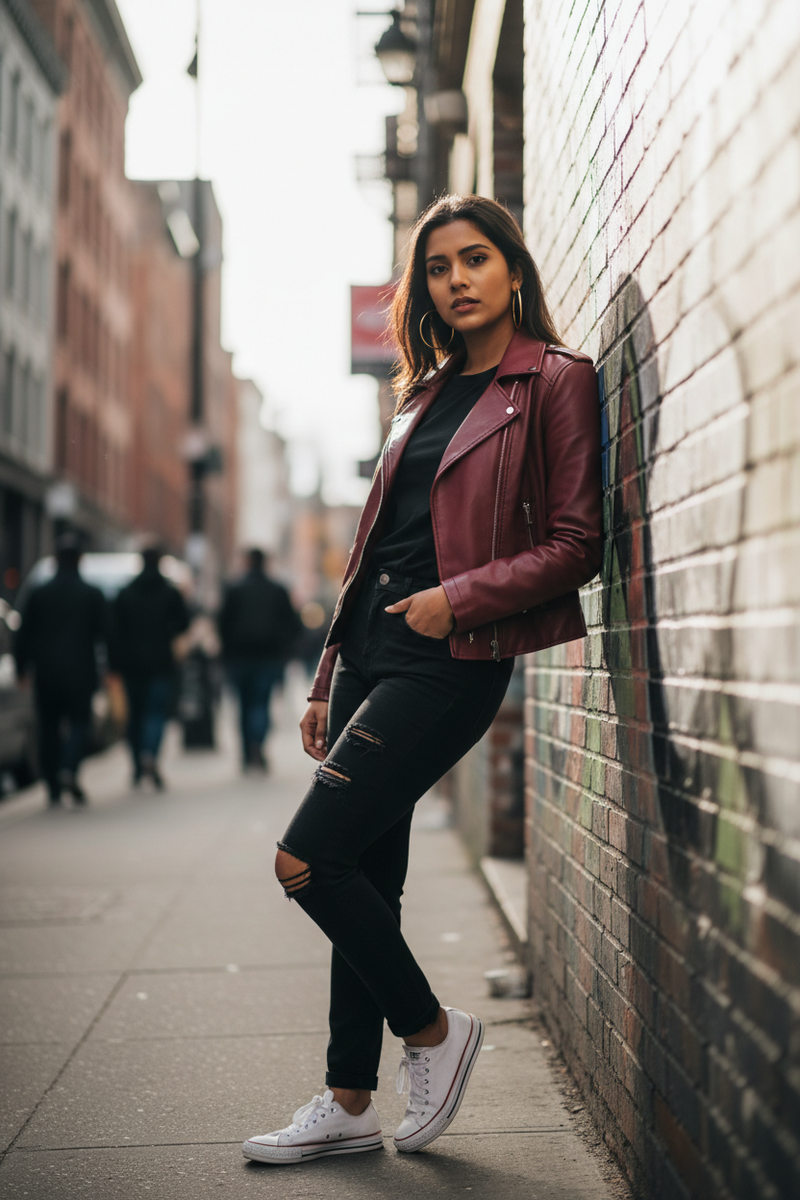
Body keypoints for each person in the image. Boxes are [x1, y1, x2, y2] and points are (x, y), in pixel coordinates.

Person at [242, 194, 603, 1165]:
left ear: (512, 269)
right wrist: (324, 674)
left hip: (450, 657)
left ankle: (433, 1036)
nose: (456, 281)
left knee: (306, 859)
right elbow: (366, 550)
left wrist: (461, 598)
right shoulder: (423, 394)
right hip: (369, 653)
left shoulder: (554, 382)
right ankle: (348, 1100)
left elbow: (575, 544)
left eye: (474, 259)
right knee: (365, 871)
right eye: (438, 268)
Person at [14, 536, 108, 806]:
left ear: (56, 561)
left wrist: (22, 668)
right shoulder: (91, 593)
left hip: (46, 672)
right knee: (80, 723)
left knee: (48, 727)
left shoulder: (39, 593)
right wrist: (111, 668)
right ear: (80, 561)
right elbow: (106, 632)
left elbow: (24, 634)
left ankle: (53, 786)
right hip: (81, 671)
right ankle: (69, 768)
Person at [110, 547, 190, 790]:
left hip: (131, 664)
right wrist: (167, 631)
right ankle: (150, 758)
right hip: (160, 663)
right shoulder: (169, 592)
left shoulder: (126, 592)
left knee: (134, 715)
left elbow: (113, 631)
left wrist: (115, 664)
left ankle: (136, 764)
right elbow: (184, 622)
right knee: (155, 714)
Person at [218, 549, 301, 770]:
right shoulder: (277, 590)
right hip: (269, 657)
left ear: (246, 562)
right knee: (261, 704)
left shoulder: (234, 589)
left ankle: (247, 751)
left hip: (239, 658)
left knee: (243, 705)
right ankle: (258, 746)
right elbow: (293, 624)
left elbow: (222, 624)